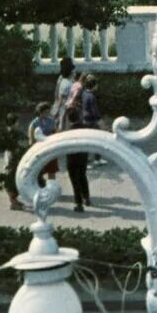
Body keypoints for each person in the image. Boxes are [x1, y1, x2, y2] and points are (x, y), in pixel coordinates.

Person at [64, 72, 101, 211]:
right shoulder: (83, 126)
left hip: (72, 155)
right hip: (83, 154)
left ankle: (78, 202)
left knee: (74, 179)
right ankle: (87, 197)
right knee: (82, 175)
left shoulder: (67, 130)